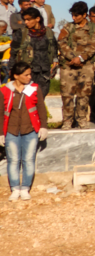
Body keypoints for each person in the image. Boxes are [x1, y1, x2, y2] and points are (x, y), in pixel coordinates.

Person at [1, 61, 48, 201]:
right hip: (11, 131)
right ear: (16, 76)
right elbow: (0, 113)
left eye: (30, 74)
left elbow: (41, 108)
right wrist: (0, 133)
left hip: (30, 130)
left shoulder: (34, 88)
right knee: (13, 160)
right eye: (26, 75)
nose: (29, 77)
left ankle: (25, 188)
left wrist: (43, 126)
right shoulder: (4, 90)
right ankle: (15, 189)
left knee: (28, 160)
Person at [58, 1, 95, 129]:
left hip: (86, 67)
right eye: (73, 15)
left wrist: (81, 58)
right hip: (68, 67)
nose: (74, 18)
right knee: (67, 95)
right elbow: (61, 42)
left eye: (76, 15)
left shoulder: (94, 29)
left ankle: (81, 119)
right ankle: (67, 121)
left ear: (84, 15)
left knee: (84, 95)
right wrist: (73, 57)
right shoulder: (67, 28)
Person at [10, 8, 57, 97]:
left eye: (28, 19)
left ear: (37, 19)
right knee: (27, 98)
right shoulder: (22, 33)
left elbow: (54, 47)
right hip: (27, 73)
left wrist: (55, 61)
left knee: (40, 97)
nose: (26, 22)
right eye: (25, 20)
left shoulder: (48, 32)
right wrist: (12, 69)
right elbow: (13, 52)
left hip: (44, 72)